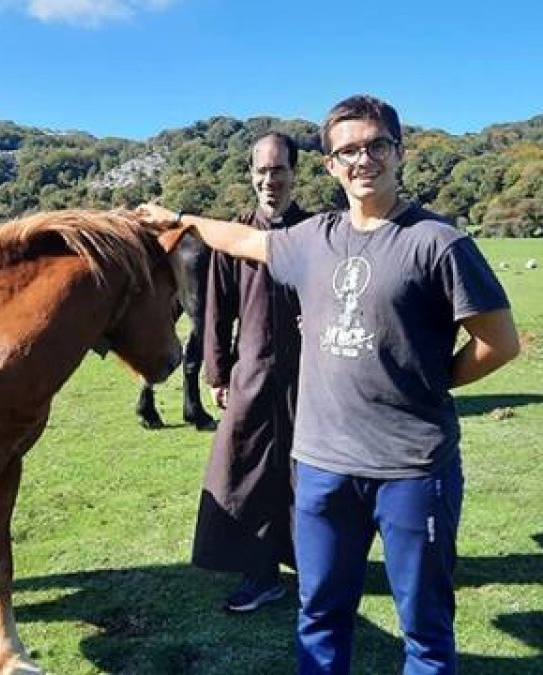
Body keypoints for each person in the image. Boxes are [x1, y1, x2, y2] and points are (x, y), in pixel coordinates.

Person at [139, 95, 520, 674]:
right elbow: (243, 242)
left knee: (425, 628)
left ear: (399, 152)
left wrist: (431, 379)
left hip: (413, 471)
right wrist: (182, 221)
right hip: (321, 469)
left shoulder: (438, 242)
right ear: (330, 165)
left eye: (376, 146)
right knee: (318, 614)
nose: (363, 160)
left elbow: (499, 343)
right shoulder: (313, 238)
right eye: (348, 150)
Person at [193, 132, 313, 613]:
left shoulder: (316, 231)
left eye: (278, 169)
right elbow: (215, 312)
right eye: (261, 171)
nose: (270, 180)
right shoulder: (234, 236)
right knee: (245, 471)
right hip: (253, 372)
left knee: (309, 474)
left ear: (294, 172)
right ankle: (258, 573)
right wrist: (218, 374)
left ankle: (312, 568)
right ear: (251, 175)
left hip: (312, 377)